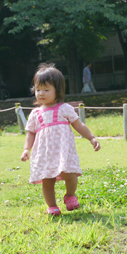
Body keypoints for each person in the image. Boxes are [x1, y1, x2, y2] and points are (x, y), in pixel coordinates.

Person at [21, 63, 101, 216]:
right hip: (45, 153)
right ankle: (52, 206)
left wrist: (91, 138)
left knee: (70, 174)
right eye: (38, 89)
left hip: (64, 151)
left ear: (57, 91)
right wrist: (26, 149)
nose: (41, 93)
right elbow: (30, 133)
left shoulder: (64, 109)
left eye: (46, 89)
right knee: (47, 180)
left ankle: (70, 194)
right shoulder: (35, 114)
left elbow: (78, 125)